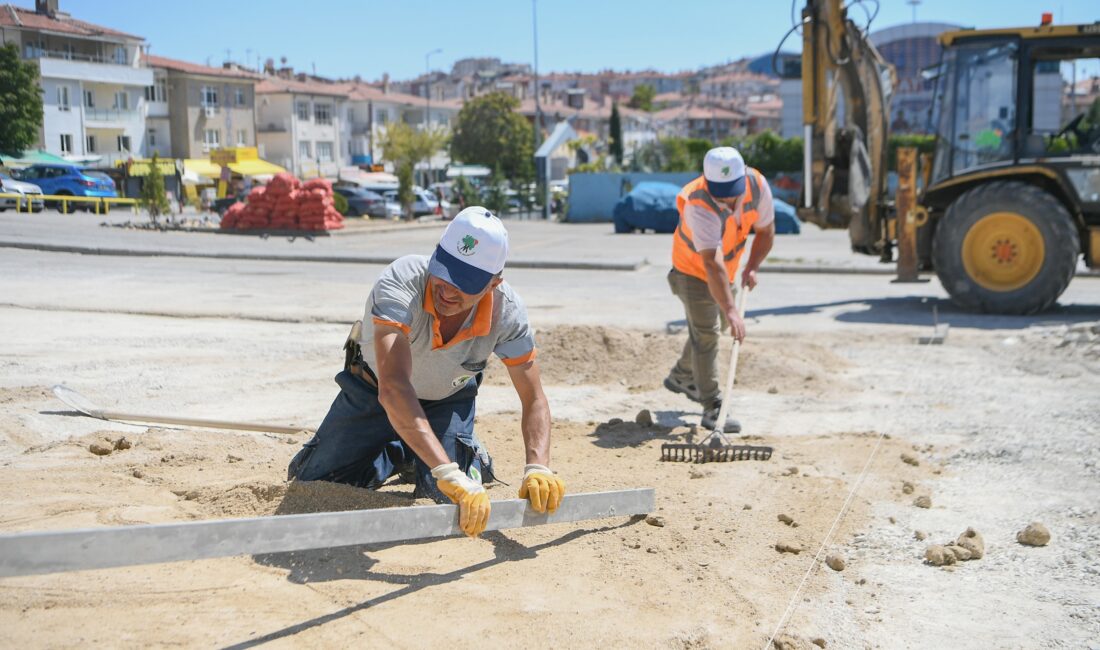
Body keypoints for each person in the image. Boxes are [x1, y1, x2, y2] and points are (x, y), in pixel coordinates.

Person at [288, 206, 565, 537]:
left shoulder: (508, 312)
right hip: (374, 389)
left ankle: (467, 458)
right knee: (313, 482)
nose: (447, 290)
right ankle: (403, 450)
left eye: (464, 284)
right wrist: (445, 469)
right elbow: (393, 387)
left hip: (446, 398)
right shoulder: (402, 279)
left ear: (494, 283)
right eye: (444, 272)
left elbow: (533, 397)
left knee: (443, 501)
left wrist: (538, 466)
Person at [664, 147, 776, 433]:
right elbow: (711, 265)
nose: (726, 197)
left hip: (724, 270)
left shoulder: (758, 186)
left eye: (731, 190)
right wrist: (730, 308)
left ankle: (682, 375)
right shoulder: (698, 203)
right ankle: (713, 406)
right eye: (720, 191)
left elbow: (766, 231)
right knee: (708, 332)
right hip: (691, 271)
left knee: (716, 326)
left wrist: (752, 266)